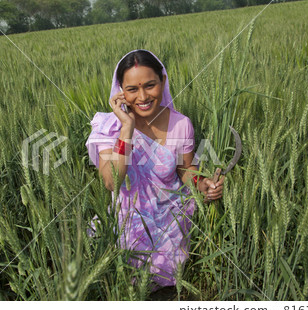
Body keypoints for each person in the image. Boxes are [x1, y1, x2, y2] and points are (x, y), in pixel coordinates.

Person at [85, 49, 224, 290]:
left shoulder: (180, 124)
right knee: (117, 260)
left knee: (165, 261)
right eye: (132, 89)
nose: (143, 96)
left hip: (169, 211)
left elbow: (186, 169)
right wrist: (126, 127)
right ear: (120, 90)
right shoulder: (107, 127)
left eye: (150, 85)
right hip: (127, 214)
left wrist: (203, 185)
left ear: (163, 81)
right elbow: (111, 182)